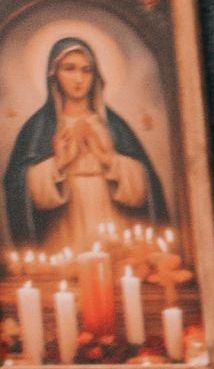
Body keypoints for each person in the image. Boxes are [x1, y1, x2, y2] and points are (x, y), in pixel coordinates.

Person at [4, 35, 171, 254]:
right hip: (64, 230)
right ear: (54, 75)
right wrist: (58, 164)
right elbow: (17, 186)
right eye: (69, 69)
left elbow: (145, 187)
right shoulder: (38, 128)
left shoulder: (113, 126)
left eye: (86, 70)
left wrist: (109, 160)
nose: (78, 79)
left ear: (96, 75)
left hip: (114, 224)